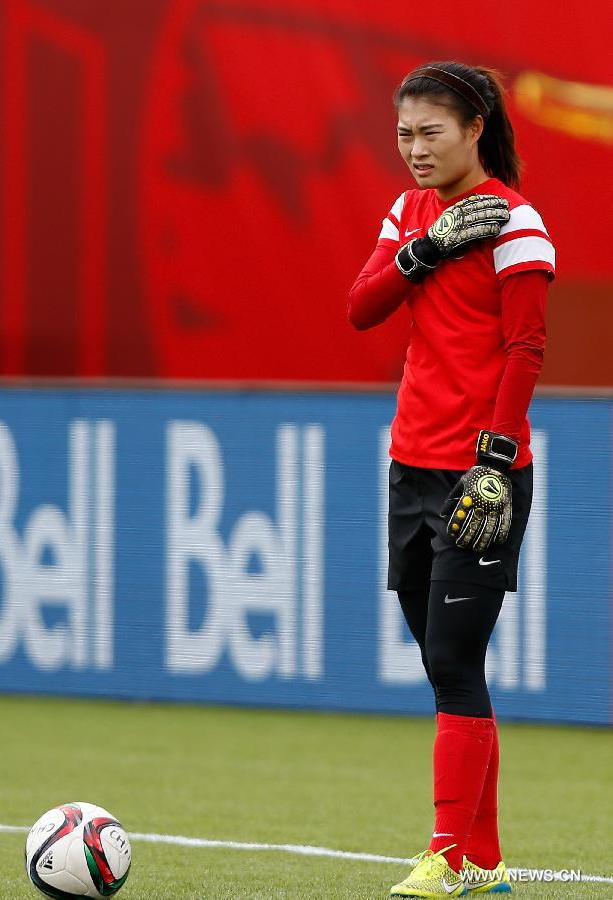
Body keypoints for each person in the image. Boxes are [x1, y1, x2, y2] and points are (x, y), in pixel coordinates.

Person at [347, 62, 555, 898]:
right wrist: (421, 249)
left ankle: (444, 857)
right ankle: (491, 866)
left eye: (431, 131)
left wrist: (497, 459)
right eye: (404, 133)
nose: (415, 149)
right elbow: (361, 307)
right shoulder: (411, 213)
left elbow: (526, 349)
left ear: (475, 128)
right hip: (411, 465)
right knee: (448, 670)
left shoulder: (519, 224)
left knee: (453, 656)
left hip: (483, 474)